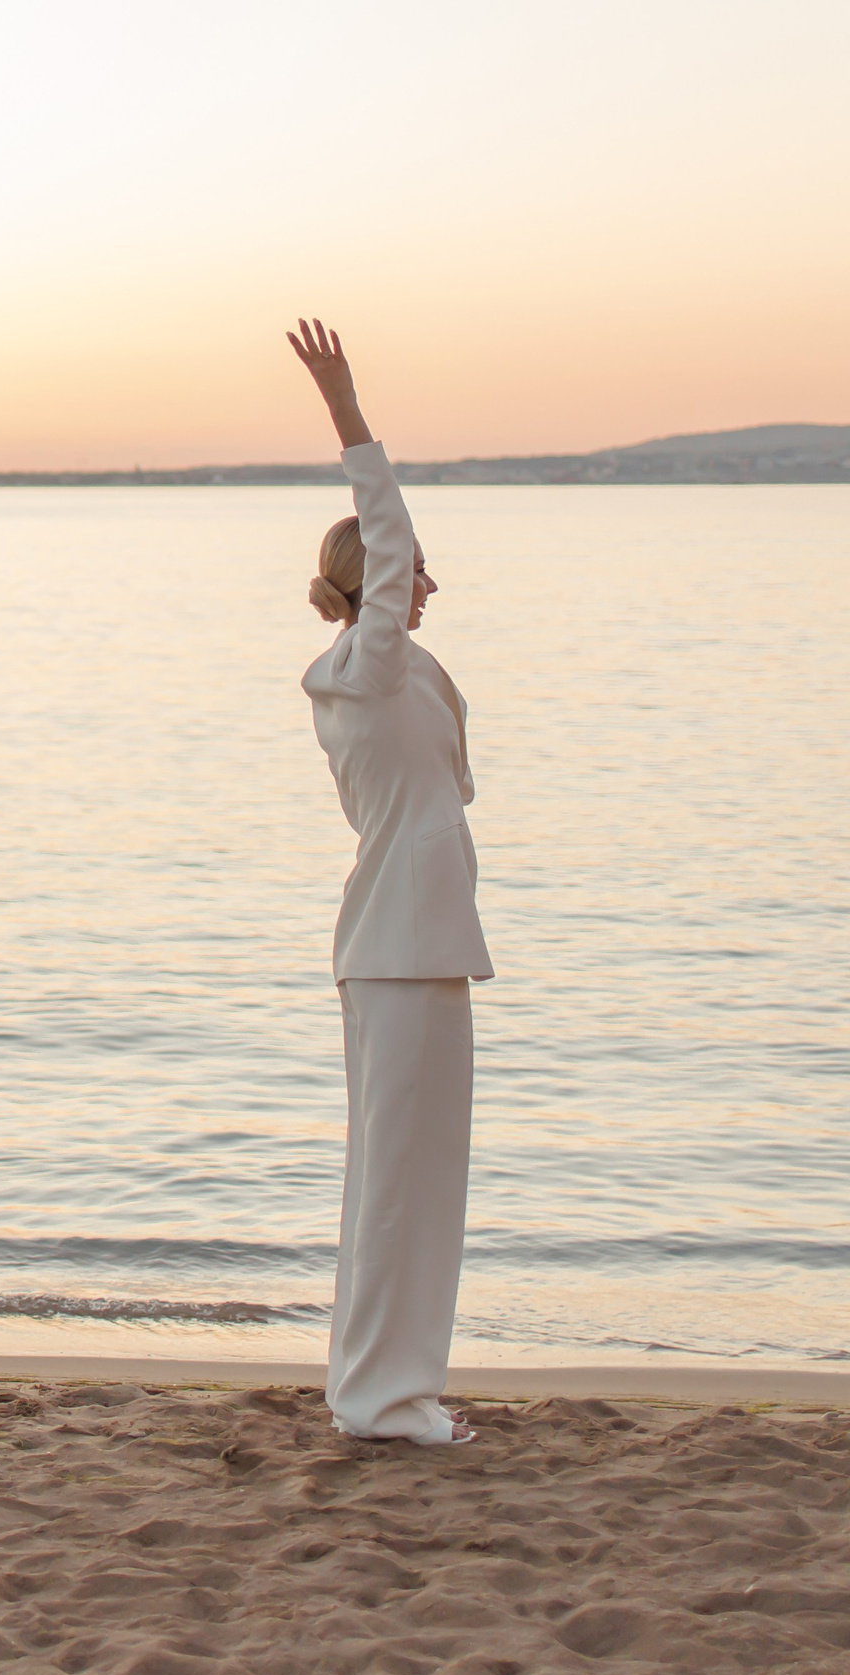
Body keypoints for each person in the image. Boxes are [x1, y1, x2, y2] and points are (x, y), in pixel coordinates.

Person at [288, 319, 494, 1446]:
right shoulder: (356, 678)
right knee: (395, 1189)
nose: (426, 580)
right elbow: (388, 528)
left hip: (426, 945)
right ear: (372, 585)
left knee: (420, 1185)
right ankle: (376, 1399)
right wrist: (347, 410)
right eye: (405, 572)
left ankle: (388, 1385)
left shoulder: (414, 673)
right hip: (396, 947)